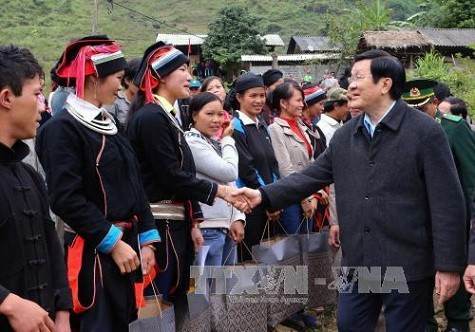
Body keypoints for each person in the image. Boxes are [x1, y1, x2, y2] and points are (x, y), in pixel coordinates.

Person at [231, 49, 466, 331]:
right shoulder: (346, 135)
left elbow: (447, 203)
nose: (350, 85)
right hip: (359, 261)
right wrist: (264, 195)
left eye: (358, 77)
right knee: (351, 325)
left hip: (407, 262)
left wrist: (449, 265)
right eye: (350, 77)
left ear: (385, 84)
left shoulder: (425, 133)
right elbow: (310, 176)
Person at [36, 35, 160, 332]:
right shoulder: (61, 129)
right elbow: (66, 198)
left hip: (127, 249)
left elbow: (135, 186)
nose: (121, 86)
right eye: (117, 78)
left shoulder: (112, 125)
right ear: (94, 78)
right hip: (94, 252)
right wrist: (112, 242)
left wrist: (147, 240)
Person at [126, 42, 230, 322]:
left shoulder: (169, 117)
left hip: (177, 224)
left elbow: (185, 171)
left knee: (175, 295)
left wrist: (194, 220)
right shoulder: (150, 118)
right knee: (157, 301)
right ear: (161, 77)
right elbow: (171, 175)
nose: (189, 76)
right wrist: (221, 191)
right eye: (182, 69)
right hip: (160, 226)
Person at [0, 44, 72, 332]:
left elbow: (52, 249)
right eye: (37, 93)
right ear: (6, 97)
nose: (44, 105)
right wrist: (7, 302)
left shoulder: (28, 174)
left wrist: (63, 314)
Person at [402, 79, 475, 332]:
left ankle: (457, 324)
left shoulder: (453, 129)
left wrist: (472, 221)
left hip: (451, 221)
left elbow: (471, 178)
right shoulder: (399, 132)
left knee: (453, 275)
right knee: (418, 284)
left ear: (434, 104)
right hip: (415, 225)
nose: (417, 114)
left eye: (422, 108)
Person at [184, 92, 245, 266]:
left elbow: (231, 185)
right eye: (209, 114)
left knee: (222, 290)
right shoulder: (193, 142)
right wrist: (227, 140)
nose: (216, 120)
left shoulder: (211, 142)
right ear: (194, 115)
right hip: (207, 227)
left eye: (220, 114)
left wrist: (236, 218)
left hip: (224, 225)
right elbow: (229, 172)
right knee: (202, 289)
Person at [231, 73, 280, 262]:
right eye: (253, 96)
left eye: (262, 95)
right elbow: (247, 168)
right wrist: (266, 198)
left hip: (268, 201)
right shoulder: (236, 126)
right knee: (249, 260)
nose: (259, 100)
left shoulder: (262, 125)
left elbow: (272, 163)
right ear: (239, 97)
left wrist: (274, 196)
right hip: (251, 205)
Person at [104, 57, 141, 128]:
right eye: (140, 81)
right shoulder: (114, 101)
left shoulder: (147, 101)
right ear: (127, 81)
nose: (143, 85)